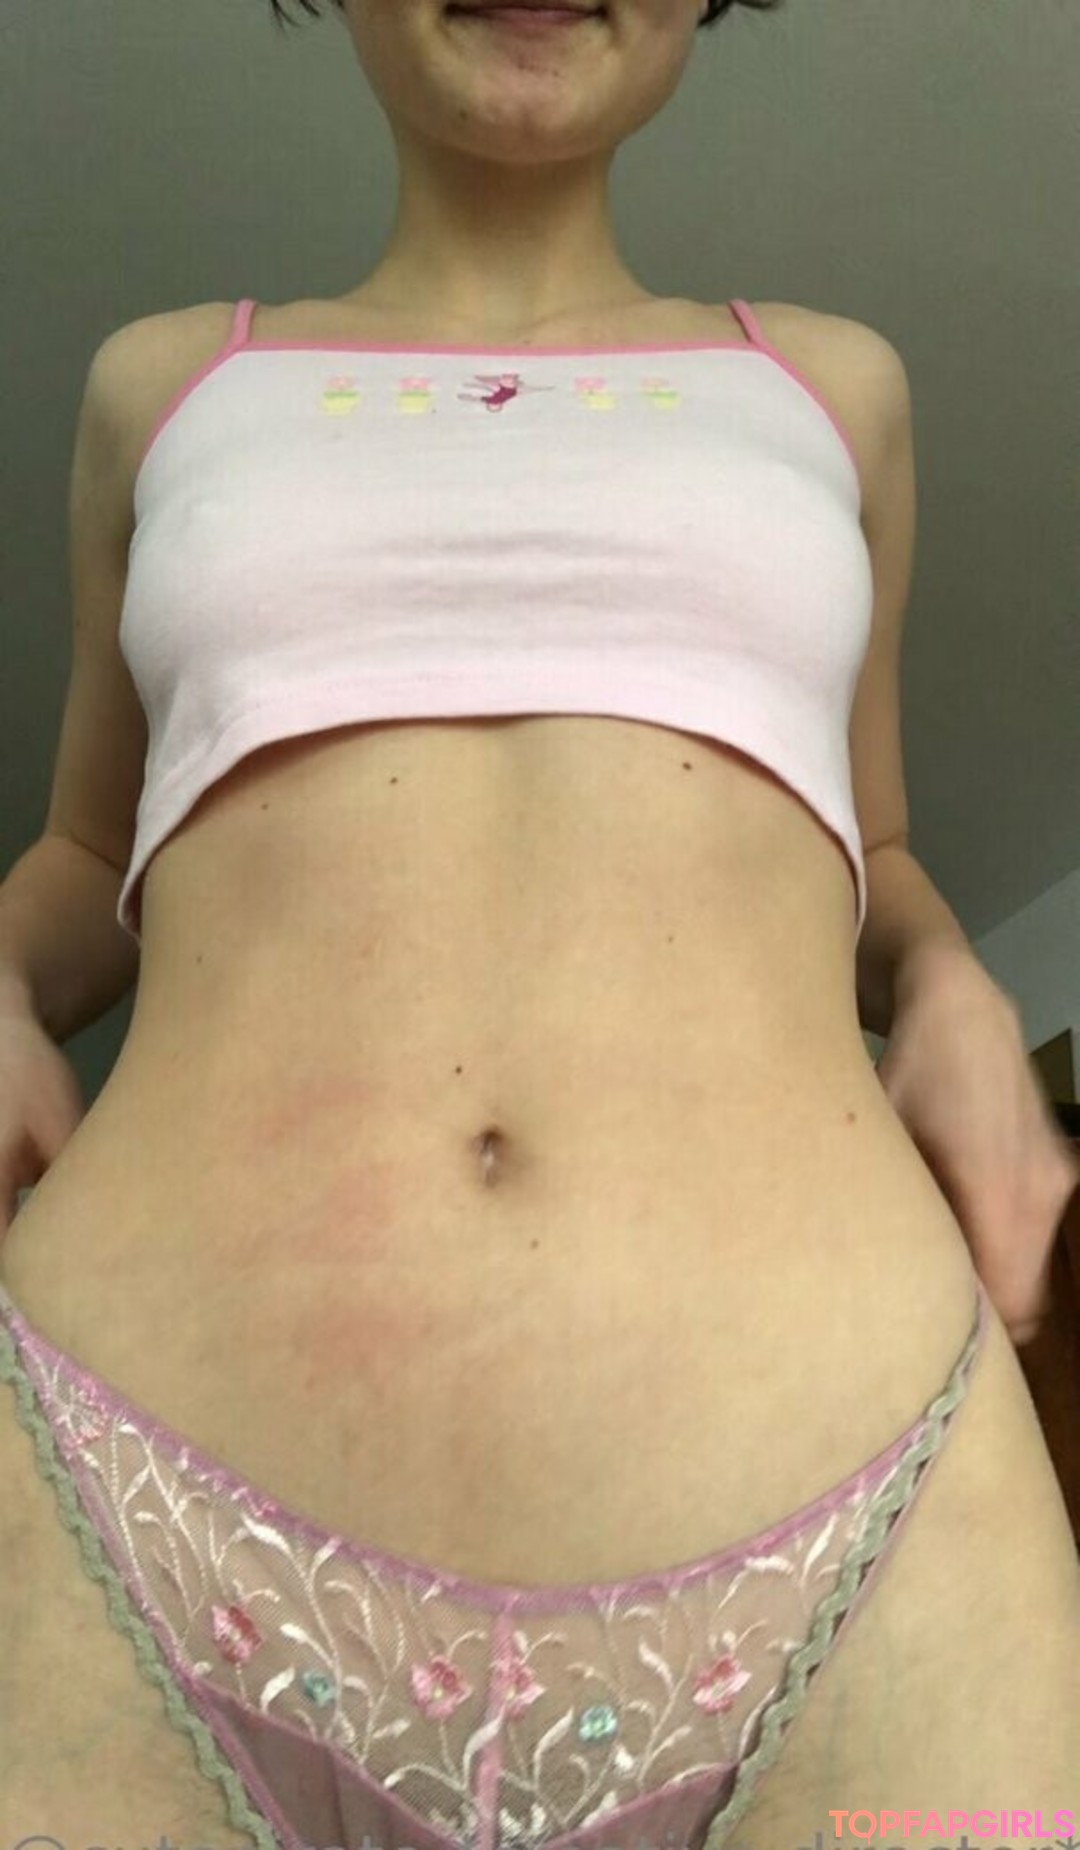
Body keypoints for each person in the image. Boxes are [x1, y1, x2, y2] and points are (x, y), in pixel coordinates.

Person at [1, 1, 1077, 1844]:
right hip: (121, 1502)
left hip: (862, 1544)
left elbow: (872, 842)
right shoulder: (166, 384)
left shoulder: (832, 388)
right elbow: (89, 849)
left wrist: (950, 979)